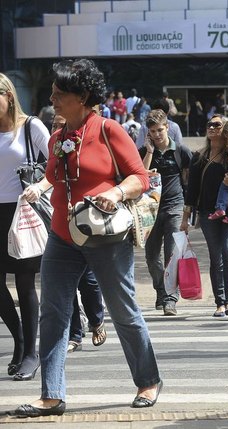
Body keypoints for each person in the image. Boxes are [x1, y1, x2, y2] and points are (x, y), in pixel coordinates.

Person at [14, 59, 161, 418]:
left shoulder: (110, 130)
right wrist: (39, 186)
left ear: (81, 97)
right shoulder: (58, 138)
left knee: (123, 311)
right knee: (53, 313)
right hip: (63, 236)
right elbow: (52, 177)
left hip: (106, 238)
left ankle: (148, 381)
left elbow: (140, 177)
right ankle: (52, 395)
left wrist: (116, 192)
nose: (52, 97)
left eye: (59, 93)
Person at [181, 115, 228, 318]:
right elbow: (192, 190)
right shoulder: (199, 156)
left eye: (218, 124)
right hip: (209, 213)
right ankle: (220, 302)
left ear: (226, 130)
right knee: (216, 257)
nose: (213, 127)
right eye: (210, 124)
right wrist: (185, 217)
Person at [0, 73, 50, 382]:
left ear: (7, 95)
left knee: (24, 281)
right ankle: (18, 341)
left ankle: (31, 353)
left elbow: (58, 167)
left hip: (23, 211)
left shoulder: (31, 126)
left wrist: (41, 187)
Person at [48, 115, 108, 352]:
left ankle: (96, 320)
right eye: (54, 125)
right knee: (66, 284)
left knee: (88, 281)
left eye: (61, 125)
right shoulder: (53, 145)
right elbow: (47, 179)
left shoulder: (87, 145)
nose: (57, 129)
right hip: (60, 227)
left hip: (87, 223)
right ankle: (74, 335)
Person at [139, 109, 192, 316]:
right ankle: (161, 291)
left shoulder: (180, 150)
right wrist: (150, 152)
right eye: (153, 131)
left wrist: (188, 209)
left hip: (174, 207)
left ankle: (171, 299)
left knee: (172, 255)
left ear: (167, 127)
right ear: (148, 132)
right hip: (149, 210)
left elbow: (191, 178)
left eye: (160, 130)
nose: (157, 134)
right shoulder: (143, 152)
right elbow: (139, 176)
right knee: (151, 257)